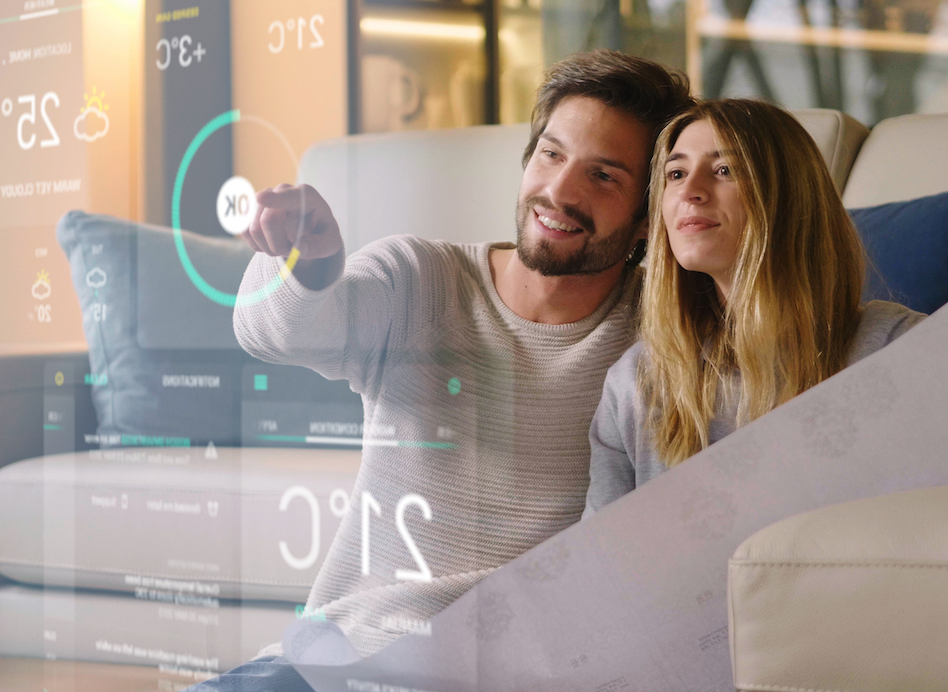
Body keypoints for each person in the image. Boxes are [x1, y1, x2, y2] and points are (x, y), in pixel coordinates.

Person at [184, 51, 692, 691]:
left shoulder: (662, 335)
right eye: (551, 155)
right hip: (343, 661)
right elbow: (271, 330)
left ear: (648, 221)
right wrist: (309, 259)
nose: (561, 191)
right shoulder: (422, 280)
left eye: (604, 177)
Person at [584, 99, 926, 515]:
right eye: (675, 173)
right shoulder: (635, 382)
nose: (690, 190)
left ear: (789, 196)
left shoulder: (898, 347)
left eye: (724, 170)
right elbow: (604, 567)